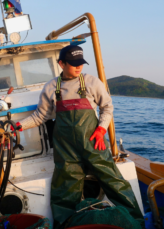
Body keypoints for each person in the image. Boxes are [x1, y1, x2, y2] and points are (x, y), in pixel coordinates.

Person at [15, 45, 143, 227]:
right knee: (64, 190)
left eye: (81, 63)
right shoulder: (51, 87)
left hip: (94, 144)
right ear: (61, 63)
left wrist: (101, 130)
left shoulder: (91, 82)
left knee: (114, 182)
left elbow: (107, 107)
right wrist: (18, 126)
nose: (79, 67)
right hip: (66, 149)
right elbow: (41, 116)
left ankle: (136, 222)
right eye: (74, 64)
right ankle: (66, 224)